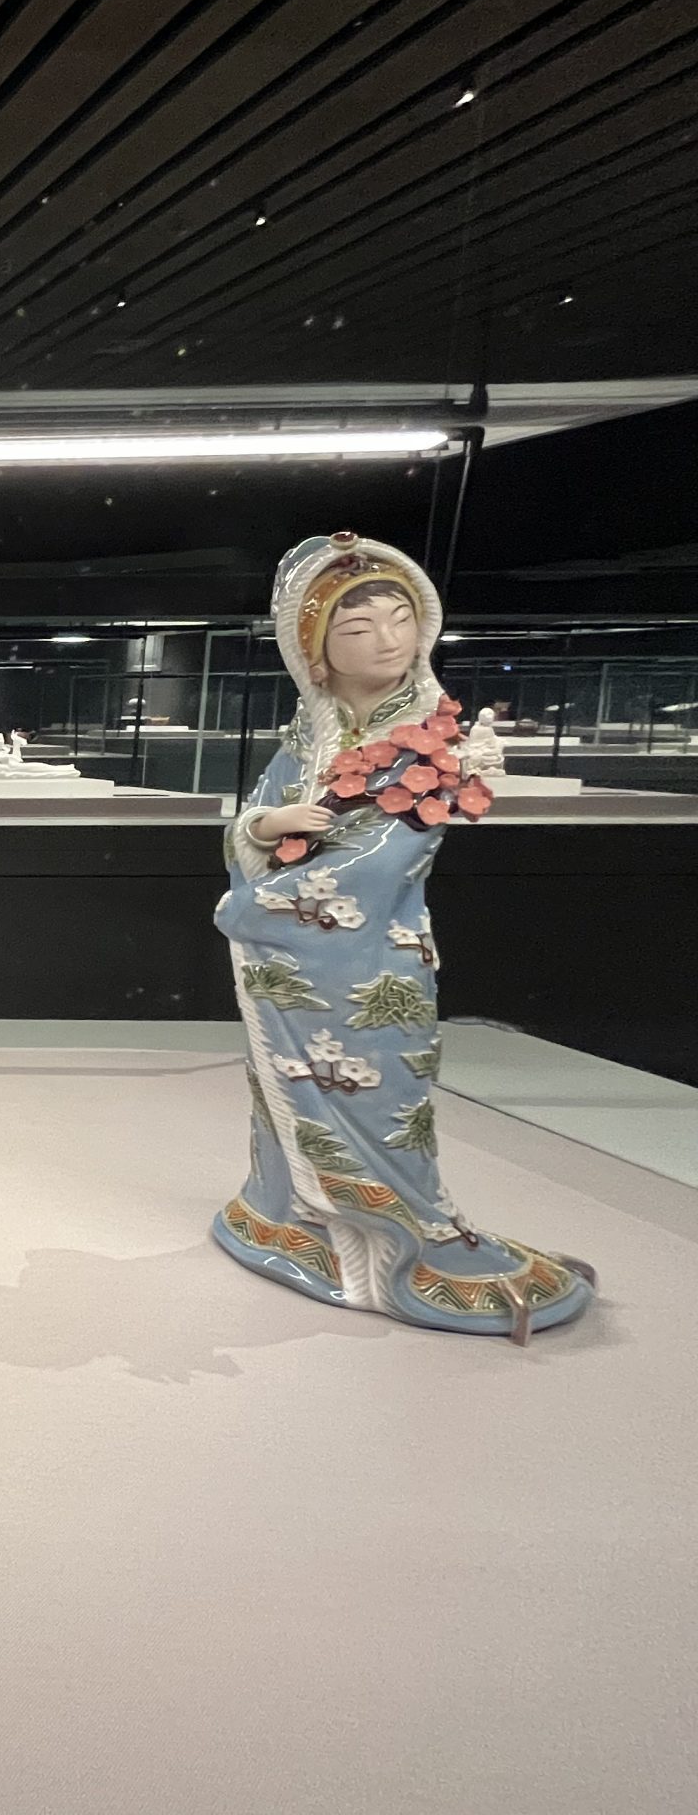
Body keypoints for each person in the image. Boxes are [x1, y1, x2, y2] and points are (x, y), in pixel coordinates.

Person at [211, 531, 592, 1342]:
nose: (387, 640)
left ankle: (410, 1246)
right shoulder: (308, 739)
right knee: (280, 1093)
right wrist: (265, 826)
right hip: (296, 959)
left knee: (382, 1095)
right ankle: (282, 1218)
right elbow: (252, 822)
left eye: (401, 620)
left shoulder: (433, 744)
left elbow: (386, 857)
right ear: (315, 655)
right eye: (358, 628)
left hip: (369, 953)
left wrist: (258, 907)